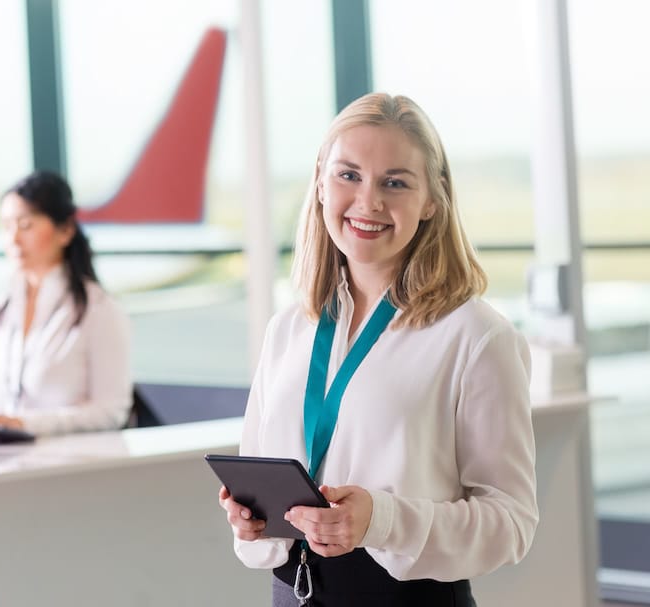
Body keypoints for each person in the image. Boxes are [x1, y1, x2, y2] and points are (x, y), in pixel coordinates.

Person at [219, 93, 538, 606]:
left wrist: (382, 521)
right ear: (321, 182)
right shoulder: (288, 329)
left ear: (433, 200)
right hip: (293, 595)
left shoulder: (476, 336)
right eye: (348, 175)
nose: (368, 202)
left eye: (395, 182)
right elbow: (260, 482)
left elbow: (512, 523)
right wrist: (251, 521)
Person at [0, 170, 133, 436]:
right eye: (6, 227)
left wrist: (25, 425)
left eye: (25, 225)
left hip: (70, 467)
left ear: (66, 230)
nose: (13, 239)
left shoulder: (99, 310)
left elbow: (111, 413)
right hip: (3, 467)